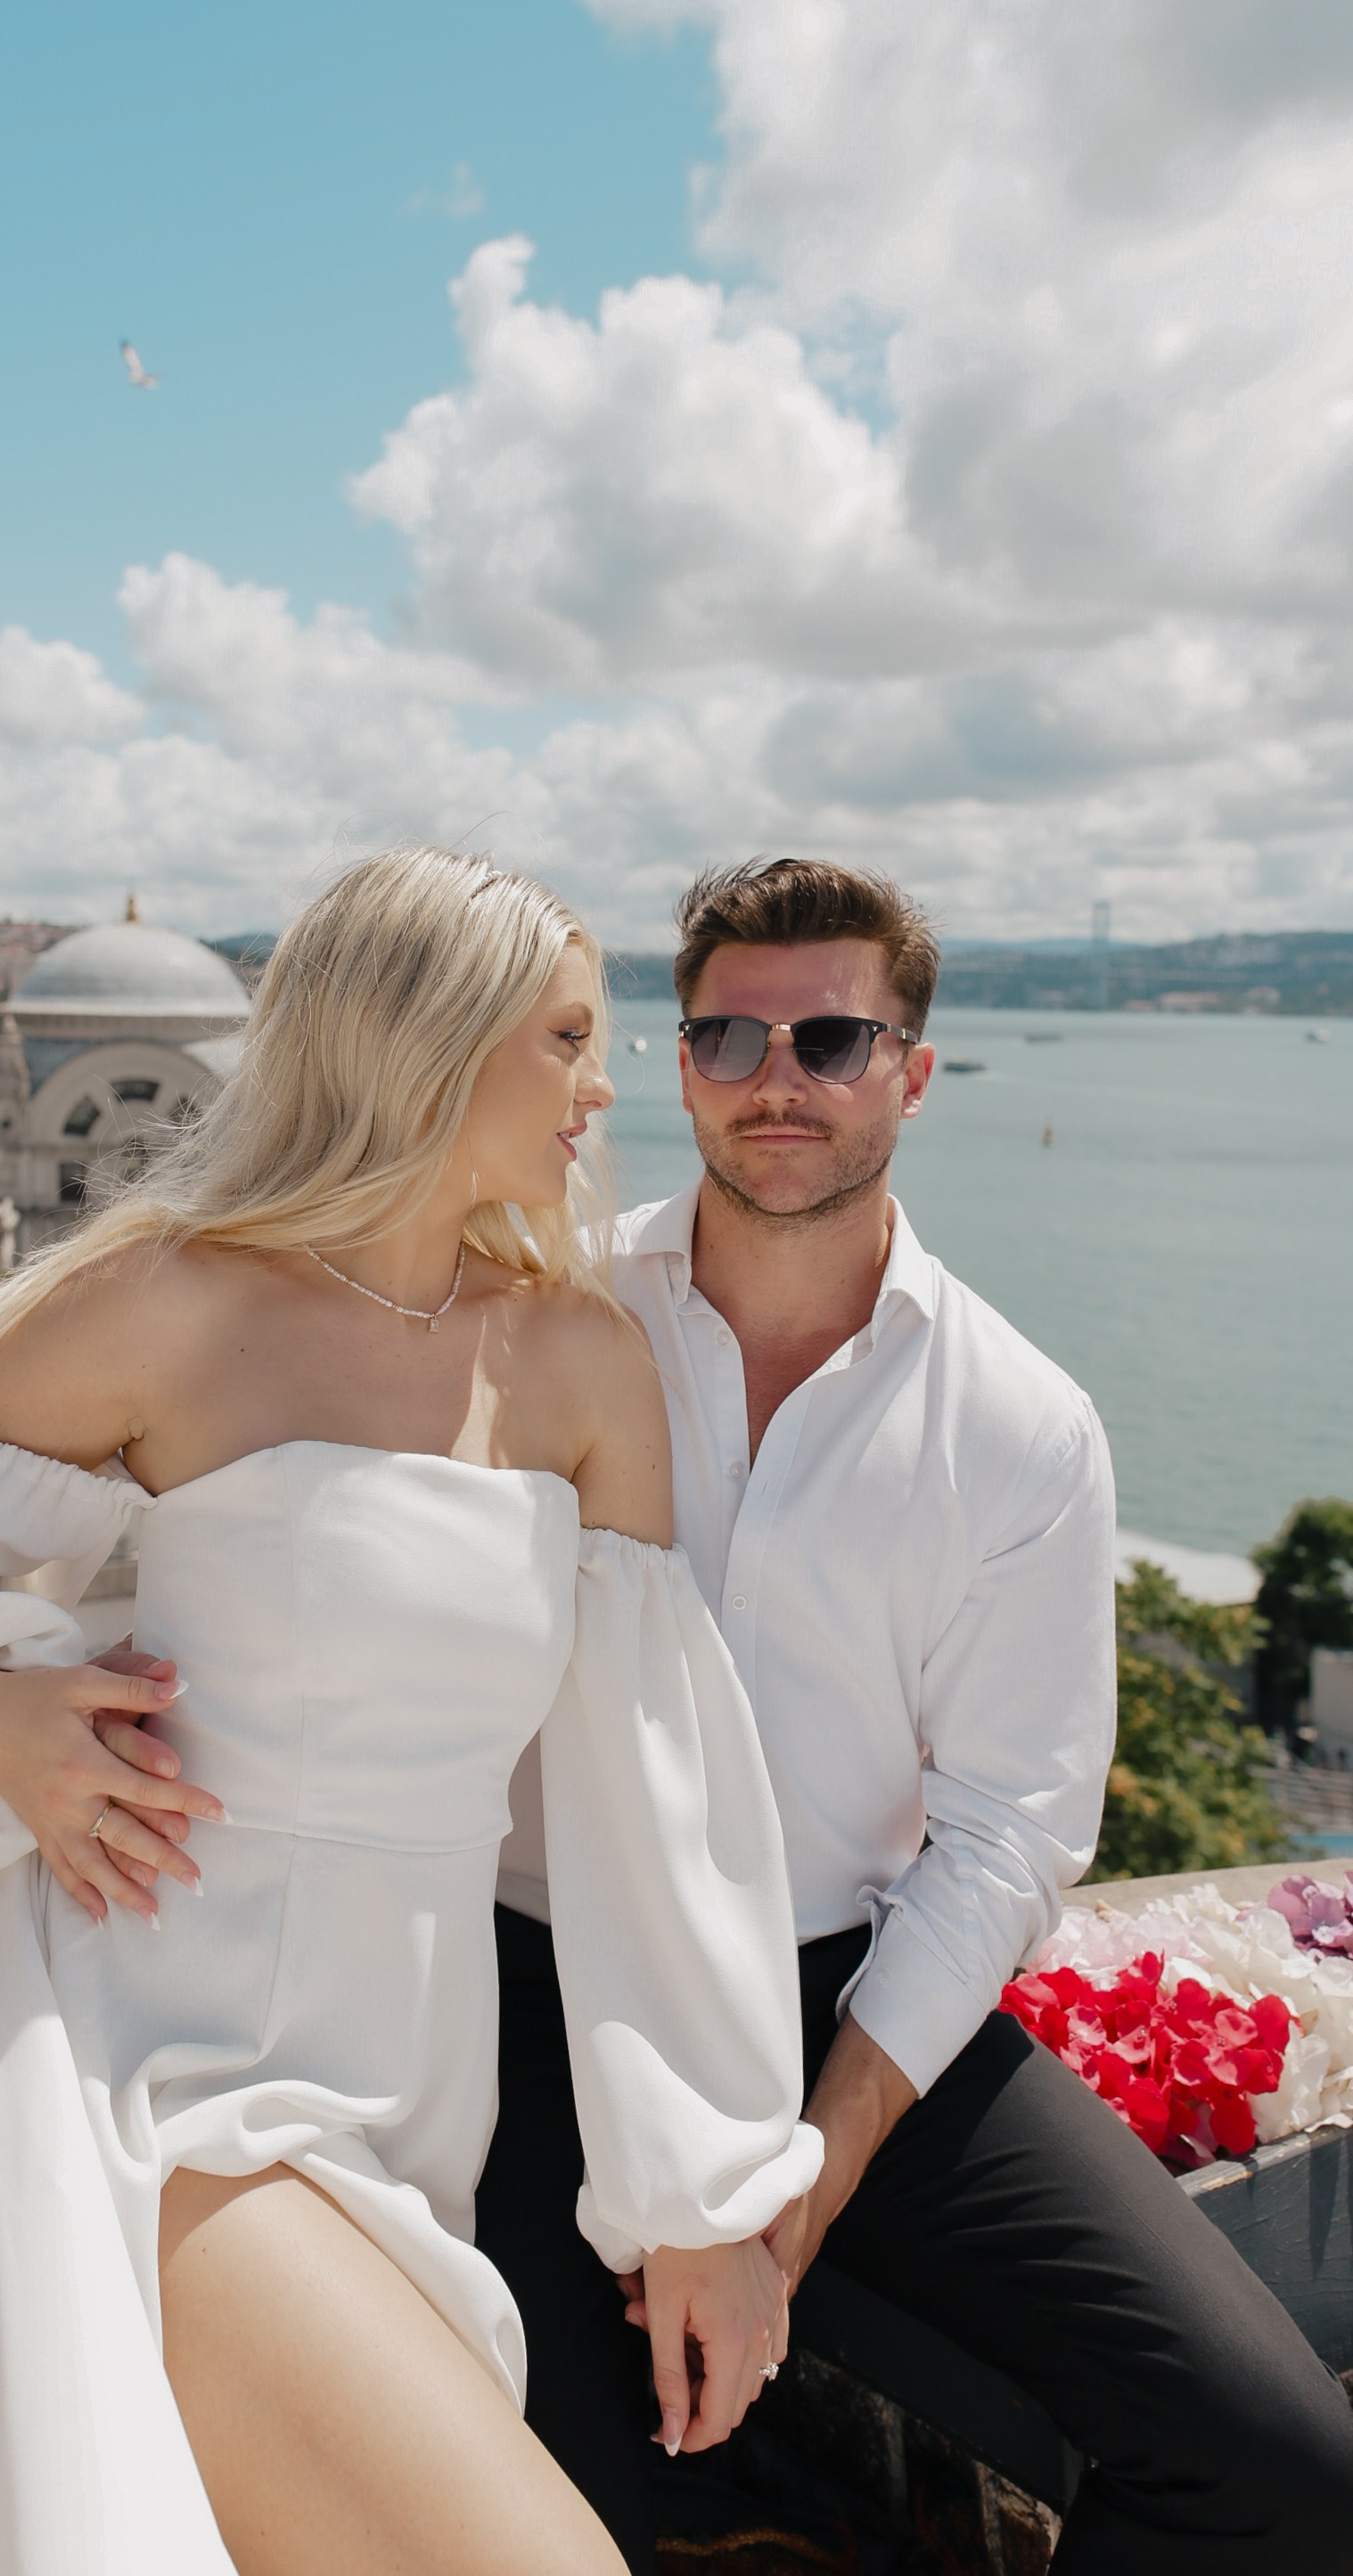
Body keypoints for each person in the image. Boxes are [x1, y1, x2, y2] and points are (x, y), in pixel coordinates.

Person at [0, 848, 823, 2576]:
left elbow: (648, 1804)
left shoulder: (576, 1361)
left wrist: (704, 2203)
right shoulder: (171, 1302)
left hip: (403, 2104)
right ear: (423, 1042)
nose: (607, 1085)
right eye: (565, 1038)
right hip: (139, 2062)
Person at [478, 857, 1353, 2574]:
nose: (774, 1075)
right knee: (577, 2505)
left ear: (913, 1070)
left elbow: (1015, 1827)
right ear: (677, 1064)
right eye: (727, 1034)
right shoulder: (547, 1319)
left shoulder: (1023, 1422)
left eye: (829, 1034)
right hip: (534, 1981)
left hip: (845, 1995)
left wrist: (817, 2160)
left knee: (1279, 2470)